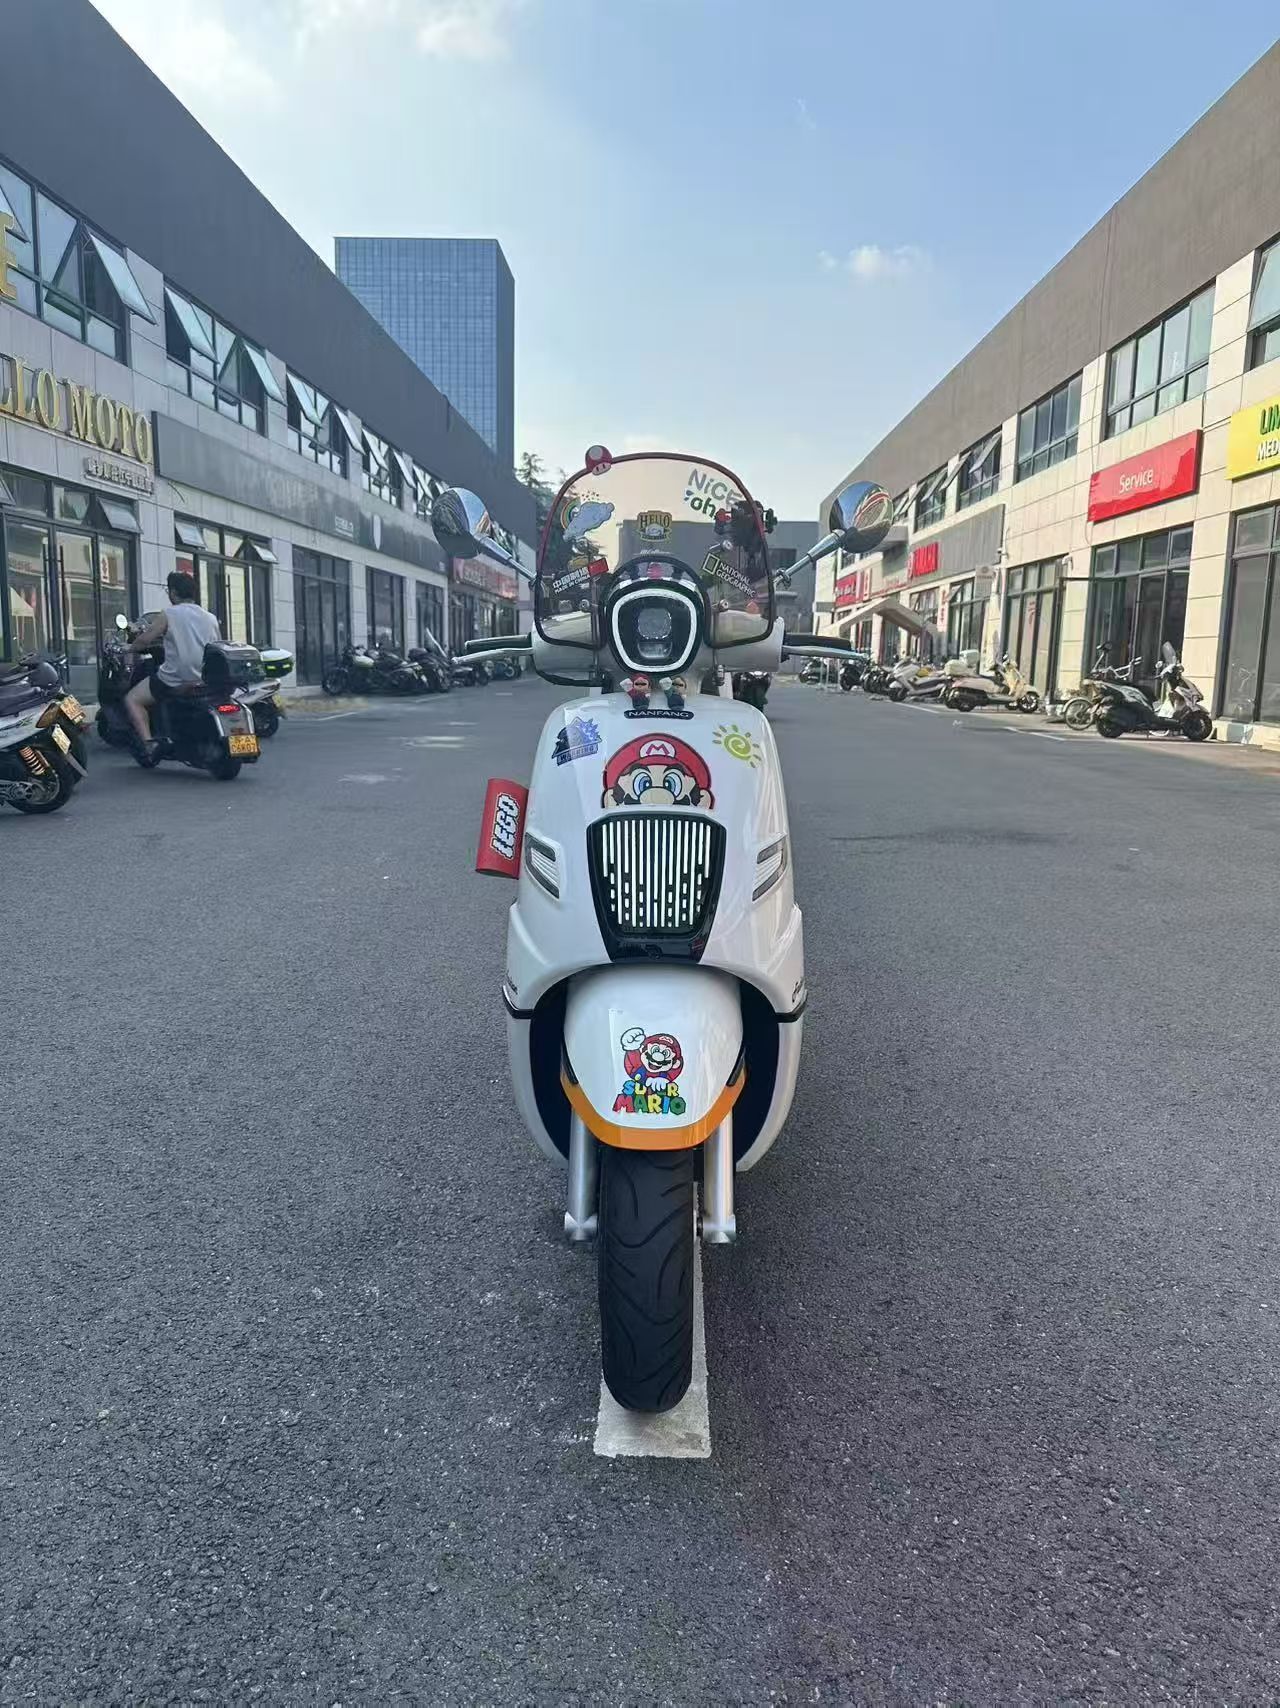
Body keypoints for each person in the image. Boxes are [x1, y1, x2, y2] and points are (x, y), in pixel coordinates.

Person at [124, 570, 221, 754]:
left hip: (176, 679)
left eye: (169, 591)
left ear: (174, 593)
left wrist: (128, 648)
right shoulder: (210, 617)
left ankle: (149, 744)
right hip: (205, 678)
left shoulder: (169, 614)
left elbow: (145, 639)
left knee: (132, 699)